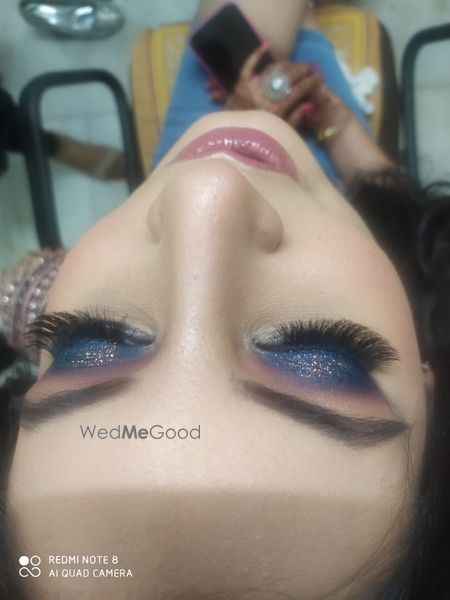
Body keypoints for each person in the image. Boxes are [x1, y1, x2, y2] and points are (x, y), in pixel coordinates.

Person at [0, 1, 449, 599]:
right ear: (429, 392)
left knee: (233, 23)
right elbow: (417, 218)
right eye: (319, 357)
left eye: (94, 344)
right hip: (335, 165)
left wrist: (237, 118)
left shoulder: (178, 181)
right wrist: (336, 128)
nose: (205, 191)